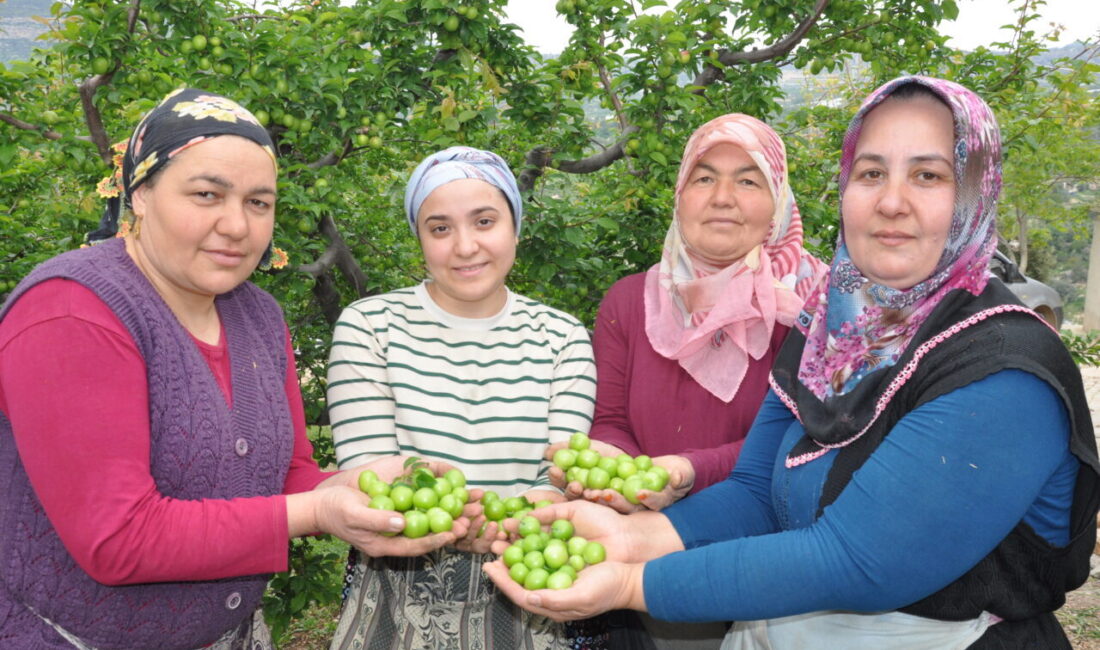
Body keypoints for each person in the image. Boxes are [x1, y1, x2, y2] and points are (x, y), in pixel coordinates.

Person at [485, 76, 1100, 649]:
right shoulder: (828, 329)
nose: (890, 202)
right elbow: (758, 492)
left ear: (976, 191)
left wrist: (628, 583)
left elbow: (859, 561)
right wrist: (630, 536)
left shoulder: (1002, 367)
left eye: (929, 176)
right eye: (870, 172)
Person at [0, 89, 462, 650]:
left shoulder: (259, 316)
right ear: (140, 194)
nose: (237, 226)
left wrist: (352, 490)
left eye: (258, 203)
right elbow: (118, 539)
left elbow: (288, 473)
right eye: (206, 194)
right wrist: (315, 509)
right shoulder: (74, 311)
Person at [326, 146, 597, 649]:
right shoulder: (371, 326)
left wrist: (526, 514)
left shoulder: (562, 336)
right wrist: (438, 512)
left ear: (516, 227)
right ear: (421, 239)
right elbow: (369, 470)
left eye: (485, 221)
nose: (466, 246)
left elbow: (560, 473)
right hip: (396, 591)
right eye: (440, 228)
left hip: (528, 579)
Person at [551, 113, 826, 515]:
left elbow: (800, 439)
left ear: (779, 203)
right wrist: (621, 472)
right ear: (680, 195)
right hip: (634, 540)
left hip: (758, 543)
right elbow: (610, 420)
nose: (722, 197)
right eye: (704, 178)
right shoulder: (628, 302)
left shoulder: (809, 308)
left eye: (749, 181)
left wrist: (689, 471)